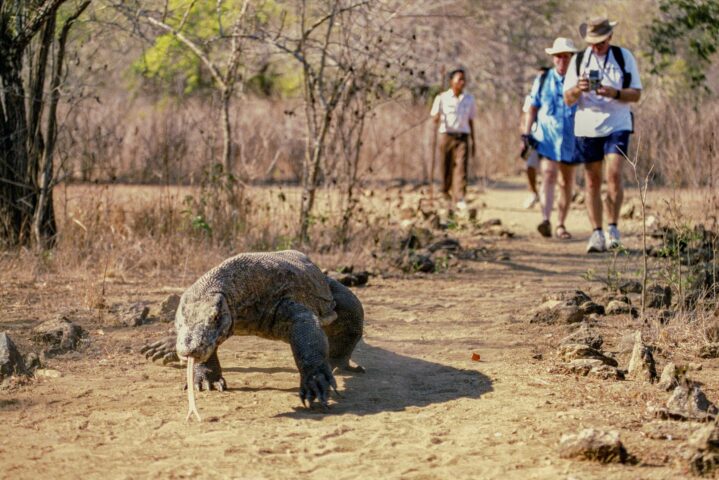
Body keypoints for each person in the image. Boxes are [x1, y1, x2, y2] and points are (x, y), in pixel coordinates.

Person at [563, 17, 642, 252]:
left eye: (600, 42)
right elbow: (567, 99)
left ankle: (613, 228)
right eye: (592, 43)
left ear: (610, 38)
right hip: (587, 127)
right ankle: (596, 233)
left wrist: (615, 93)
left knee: (614, 174)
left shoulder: (623, 57)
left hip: (617, 123)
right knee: (592, 181)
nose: (596, 47)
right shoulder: (578, 60)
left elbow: (636, 94)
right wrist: (579, 88)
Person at [521, 38, 579, 238]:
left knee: (566, 181)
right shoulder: (543, 79)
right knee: (548, 173)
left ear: (571, 58)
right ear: (553, 58)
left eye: (565, 56)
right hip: (547, 137)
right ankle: (545, 219)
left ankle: (561, 224)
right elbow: (533, 107)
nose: (561, 60)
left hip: (572, 138)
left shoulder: (579, 81)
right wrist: (526, 133)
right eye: (558, 56)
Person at [430, 68, 477, 212]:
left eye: (464, 80)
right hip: (447, 135)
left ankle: (460, 196)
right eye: (459, 80)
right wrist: (437, 117)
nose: (462, 83)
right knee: (446, 166)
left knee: (461, 167)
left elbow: (471, 120)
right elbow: (434, 117)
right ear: (451, 81)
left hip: (463, 136)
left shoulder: (469, 99)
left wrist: (473, 140)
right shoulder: (442, 98)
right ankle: (445, 192)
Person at [519, 69, 546, 210]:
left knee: (548, 169)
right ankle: (533, 192)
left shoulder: (552, 95)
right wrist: (524, 136)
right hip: (532, 137)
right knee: (530, 165)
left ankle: (545, 194)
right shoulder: (530, 98)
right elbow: (524, 117)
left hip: (549, 137)